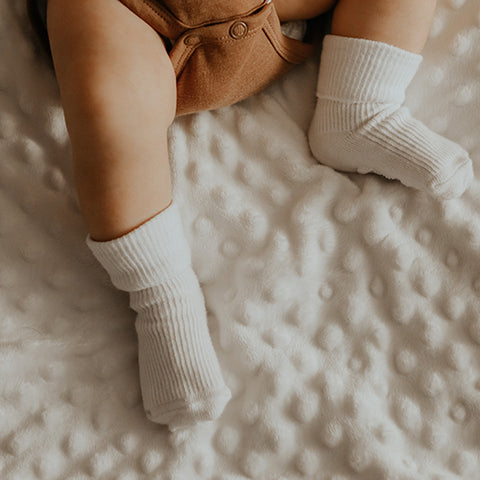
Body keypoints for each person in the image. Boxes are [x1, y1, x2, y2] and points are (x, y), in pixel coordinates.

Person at [28, 0, 472, 431]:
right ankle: (161, 294)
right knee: (105, 87)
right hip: (134, 18)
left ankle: (361, 101)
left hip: (273, 10)